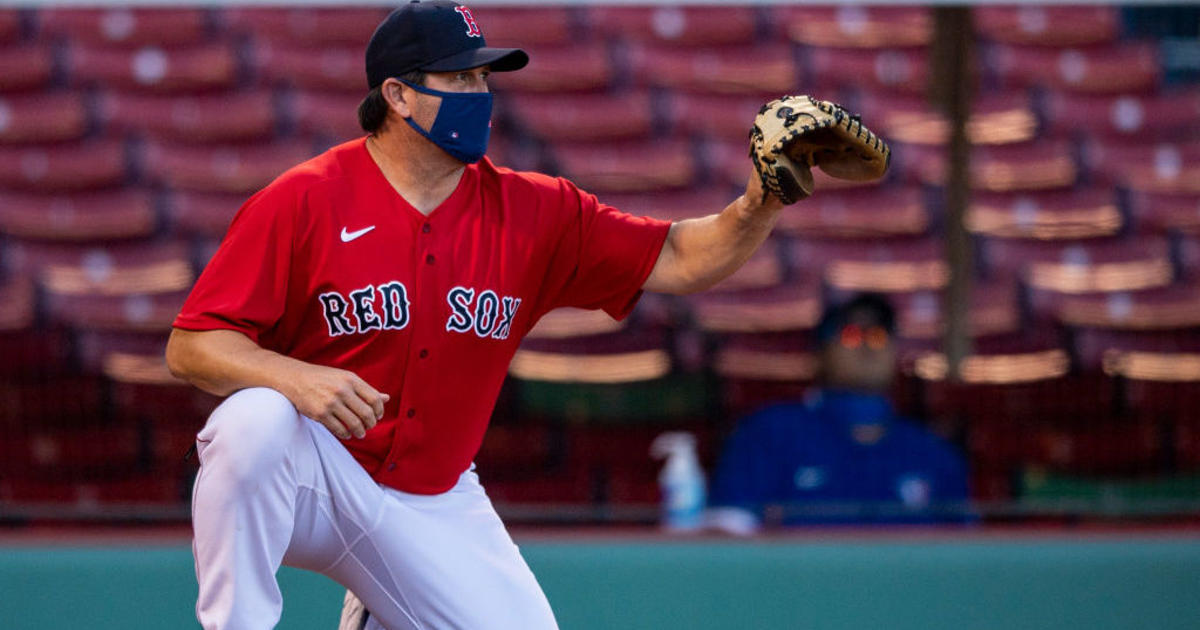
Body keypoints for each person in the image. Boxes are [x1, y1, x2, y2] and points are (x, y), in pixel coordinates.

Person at [164, 2, 787, 628]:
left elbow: (679, 257)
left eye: (483, 79)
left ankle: (381, 608)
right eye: (459, 78)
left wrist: (763, 199)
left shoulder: (533, 211)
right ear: (398, 96)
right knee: (253, 418)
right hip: (316, 475)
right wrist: (294, 379)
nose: (479, 94)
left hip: (435, 496)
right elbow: (192, 347)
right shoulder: (304, 199)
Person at [707, 293, 971, 534]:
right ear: (821, 352)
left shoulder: (931, 452)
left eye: (879, 335)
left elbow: (967, 558)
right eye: (852, 334)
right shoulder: (770, 433)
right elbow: (726, 538)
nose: (868, 347)